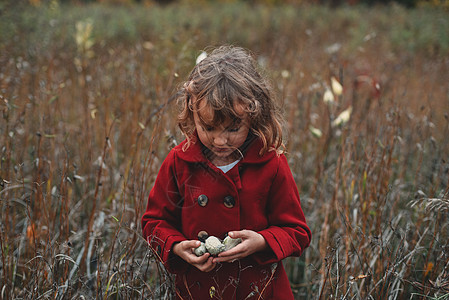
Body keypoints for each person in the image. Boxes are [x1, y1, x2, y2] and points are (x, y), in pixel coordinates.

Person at [141, 45, 311, 299]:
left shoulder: (270, 163)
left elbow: (297, 232)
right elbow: (153, 223)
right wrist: (177, 247)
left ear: (255, 115)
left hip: (258, 290)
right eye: (208, 127)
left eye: (233, 129)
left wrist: (262, 241)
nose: (220, 141)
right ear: (192, 113)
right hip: (197, 288)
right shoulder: (180, 161)